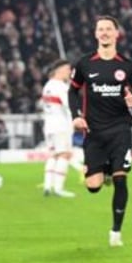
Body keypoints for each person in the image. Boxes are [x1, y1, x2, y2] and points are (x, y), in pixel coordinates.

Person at [68, 15, 132, 247]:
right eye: (101, 29)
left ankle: (116, 232)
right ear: (96, 34)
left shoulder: (127, 65)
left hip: (120, 129)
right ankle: (104, 169)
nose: (105, 33)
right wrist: (76, 116)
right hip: (94, 132)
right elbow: (72, 92)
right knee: (93, 187)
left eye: (109, 29)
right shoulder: (84, 64)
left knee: (120, 179)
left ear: (117, 34)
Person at [41, 59, 77, 198]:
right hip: (61, 125)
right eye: (68, 69)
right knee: (64, 155)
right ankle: (58, 188)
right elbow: (69, 105)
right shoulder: (61, 86)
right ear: (60, 70)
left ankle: (47, 185)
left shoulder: (48, 85)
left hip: (49, 125)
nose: (69, 72)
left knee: (53, 155)